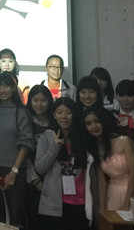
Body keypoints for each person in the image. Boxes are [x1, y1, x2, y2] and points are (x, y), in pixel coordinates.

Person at [34, 97, 94, 230]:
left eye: (68, 112)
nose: (64, 117)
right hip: (55, 203)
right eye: (59, 112)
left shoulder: (82, 137)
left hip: (81, 201)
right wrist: (54, 147)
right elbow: (40, 168)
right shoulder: (46, 137)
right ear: (54, 115)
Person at [0, 72, 34, 227]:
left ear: (13, 88)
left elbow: (26, 143)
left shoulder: (21, 111)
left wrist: (13, 172)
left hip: (15, 172)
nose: (2, 90)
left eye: (6, 86)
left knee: (15, 218)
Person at [83, 107, 134, 211]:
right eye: (88, 123)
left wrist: (127, 203)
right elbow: (101, 181)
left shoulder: (124, 141)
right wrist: (102, 210)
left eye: (97, 121)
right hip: (113, 193)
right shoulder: (94, 149)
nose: (94, 126)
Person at [25, 84, 54, 229]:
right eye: (35, 100)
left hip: (53, 180)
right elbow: (24, 153)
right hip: (31, 180)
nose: (39, 105)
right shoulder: (26, 122)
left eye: (43, 100)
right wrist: (35, 181)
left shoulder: (56, 122)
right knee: (34, 220)